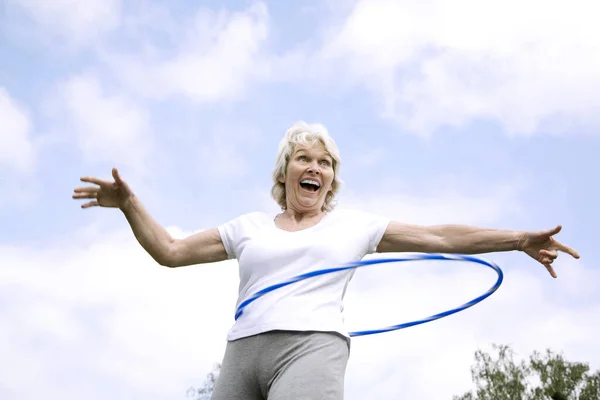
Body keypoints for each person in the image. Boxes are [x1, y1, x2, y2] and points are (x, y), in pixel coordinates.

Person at [72, 121, 580, 399]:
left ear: (332, 179)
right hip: (242, 352)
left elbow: (440, 236)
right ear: (285, 171)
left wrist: (516, 239)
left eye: (325, 162)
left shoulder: (353, 225)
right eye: (304, 158)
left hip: (311, 348)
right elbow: (171, 251)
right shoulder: (246, 227)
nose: (314, 167)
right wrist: (130, 205)